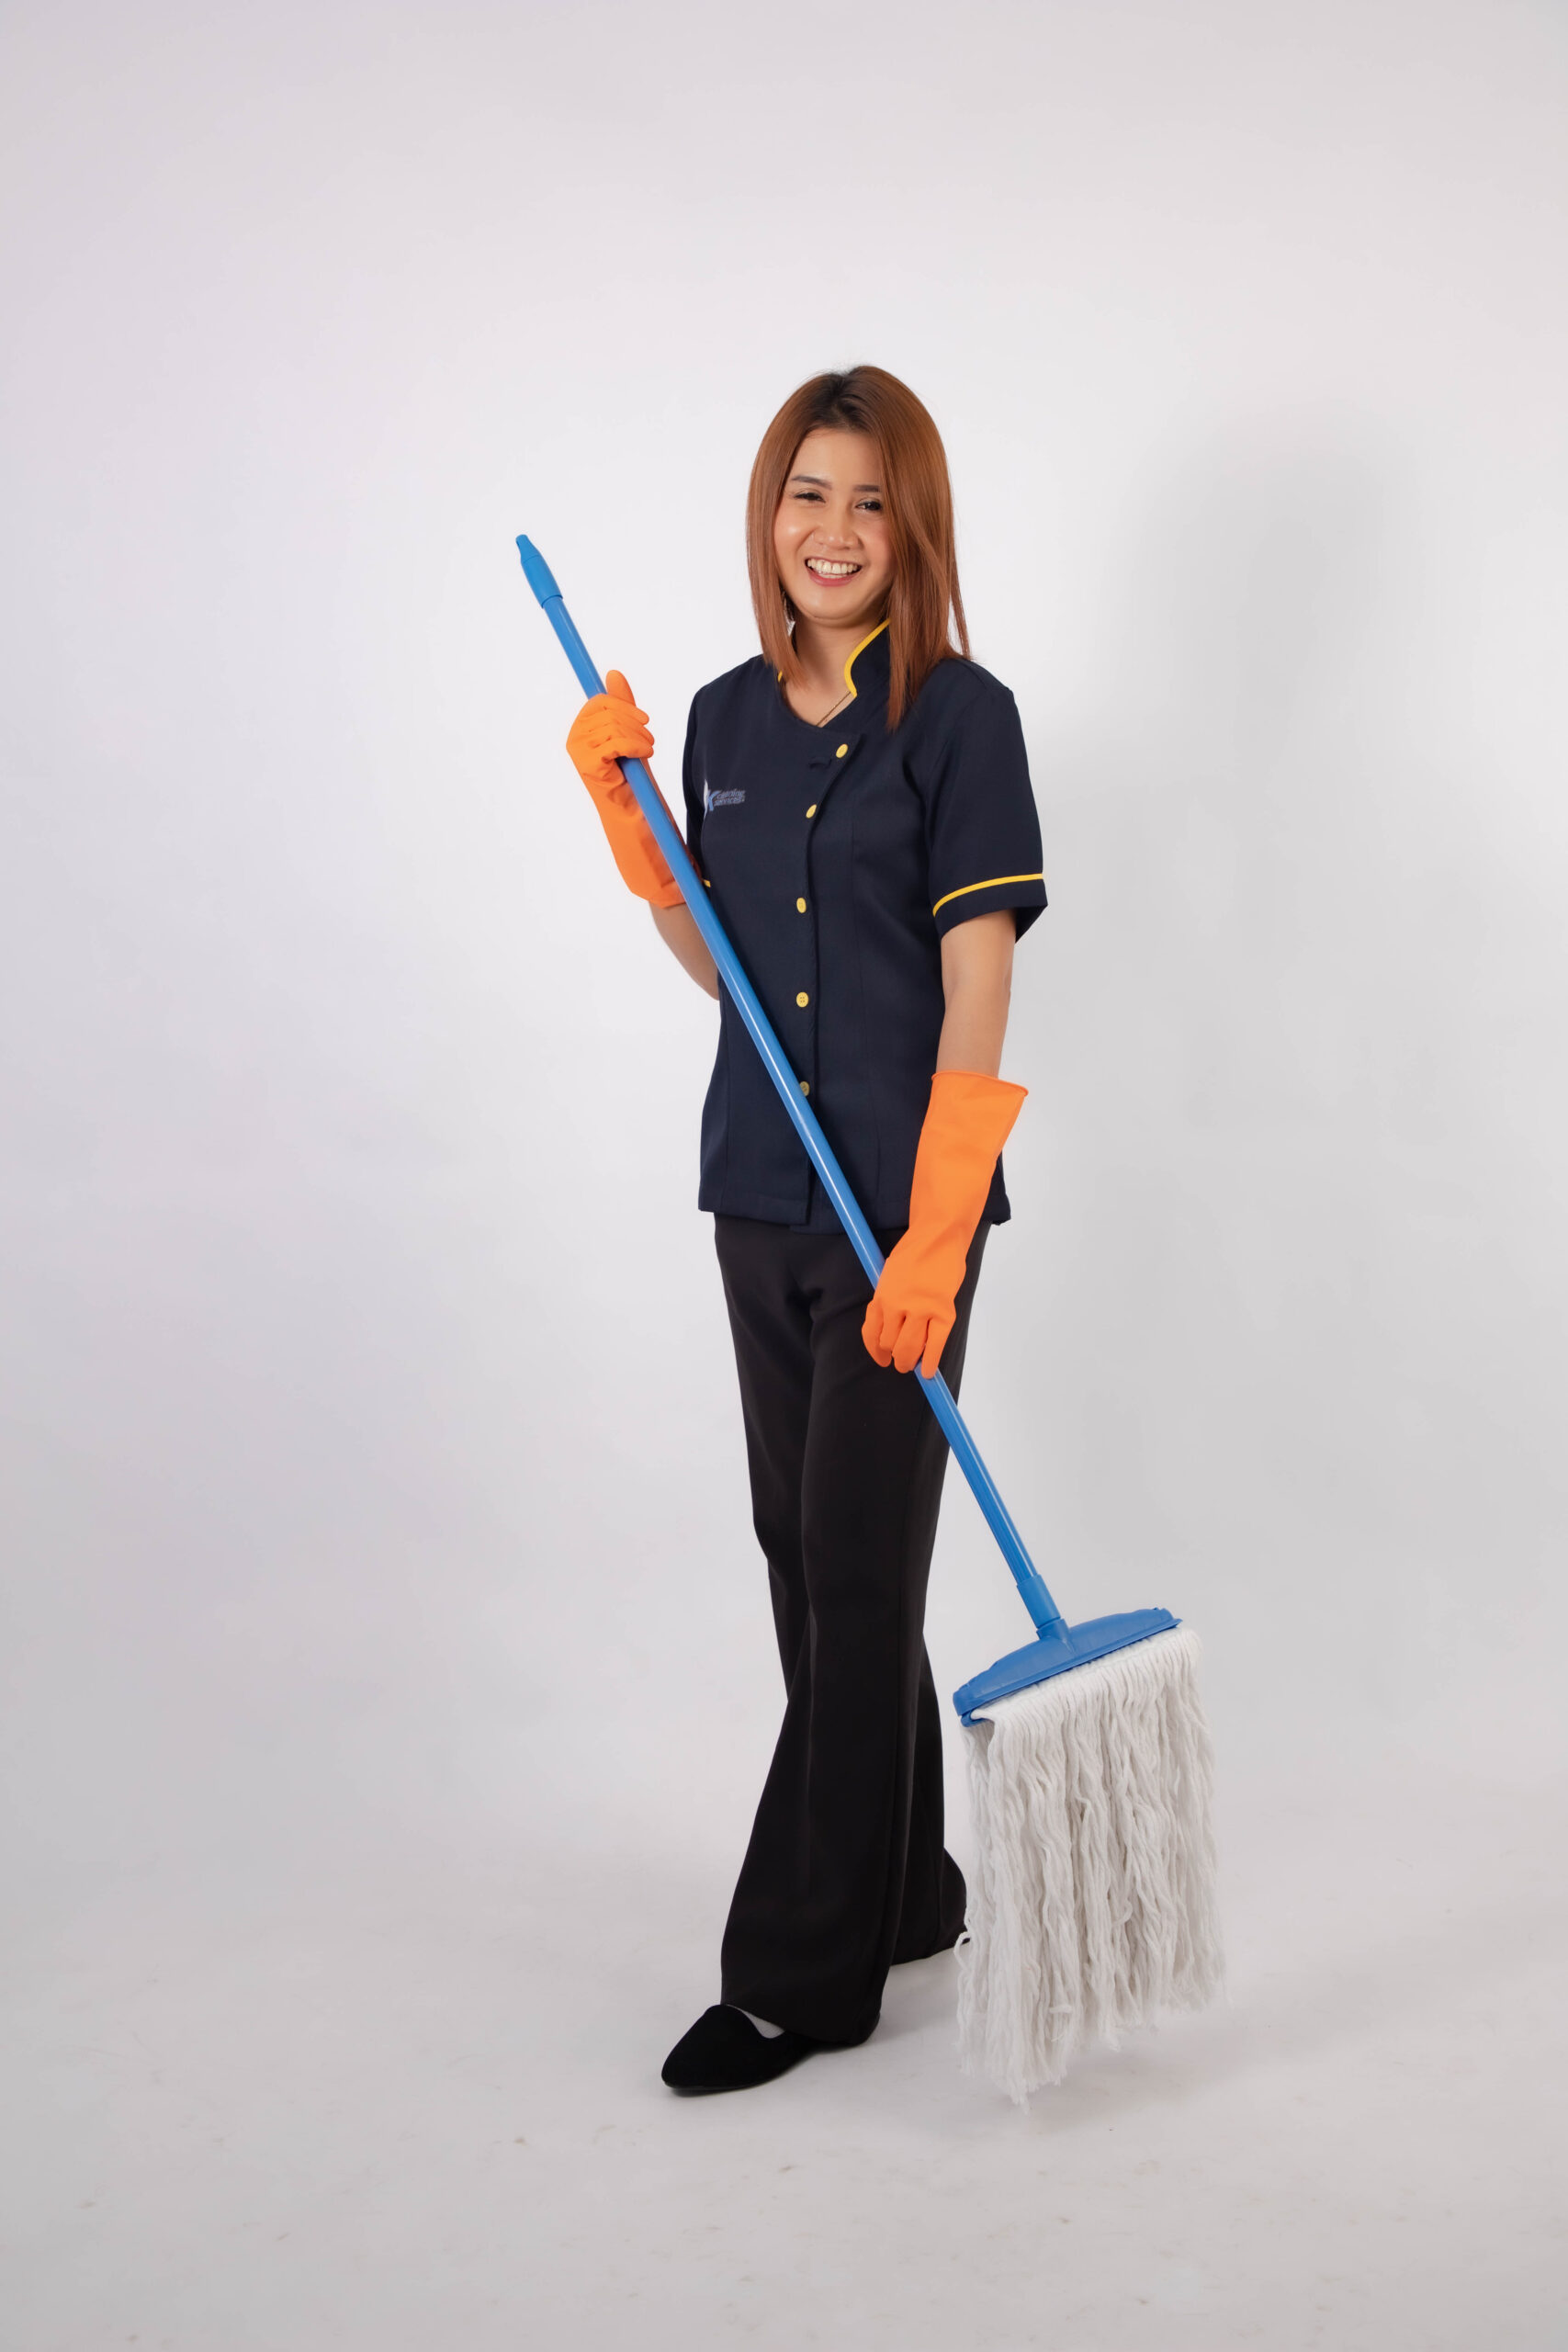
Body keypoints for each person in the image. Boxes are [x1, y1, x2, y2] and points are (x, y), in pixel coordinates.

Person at [563, 366, 1046, 2093]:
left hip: (901, 1217)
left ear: (914, 528)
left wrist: (940, 1229)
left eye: (869, 502)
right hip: (760, 1193)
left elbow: (978, 977)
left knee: (852, 1558)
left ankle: (797, 1974)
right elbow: (727, 970)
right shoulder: (716, 720)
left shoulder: (960, 719)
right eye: (805, 494)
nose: (833, 532)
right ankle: (906, 1889)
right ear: (769, 514)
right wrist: (636, 831)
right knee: (810, 1554)